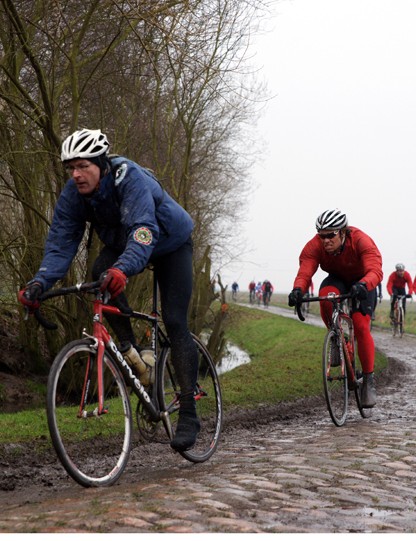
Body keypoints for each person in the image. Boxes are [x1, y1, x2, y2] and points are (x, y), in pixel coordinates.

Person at [17, 128, 200, 452]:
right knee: (99, 274)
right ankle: (132, 354)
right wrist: (39, 283)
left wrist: (123, 268)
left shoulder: (129, 178)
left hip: (169, 242)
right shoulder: (73, 194)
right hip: (124, 243)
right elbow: (60, 243)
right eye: (70, 167)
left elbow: (143, 230)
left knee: (174, 321)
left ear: (102, 163)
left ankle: (189, 411)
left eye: (83, 165)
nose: (76, 174)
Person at [288, 209, 383, 408]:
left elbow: (375, 269)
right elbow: (305, 271)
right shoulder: (314, 246)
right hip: (337, 279)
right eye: (322, 235)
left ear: (343, 232)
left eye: (331, 235)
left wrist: (364, 284)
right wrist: (298, 289)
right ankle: (336, 337)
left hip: (362, 282)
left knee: (360, 325)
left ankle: (368, 380)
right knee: (325, 298)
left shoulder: (361, 240)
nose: (326, 240)